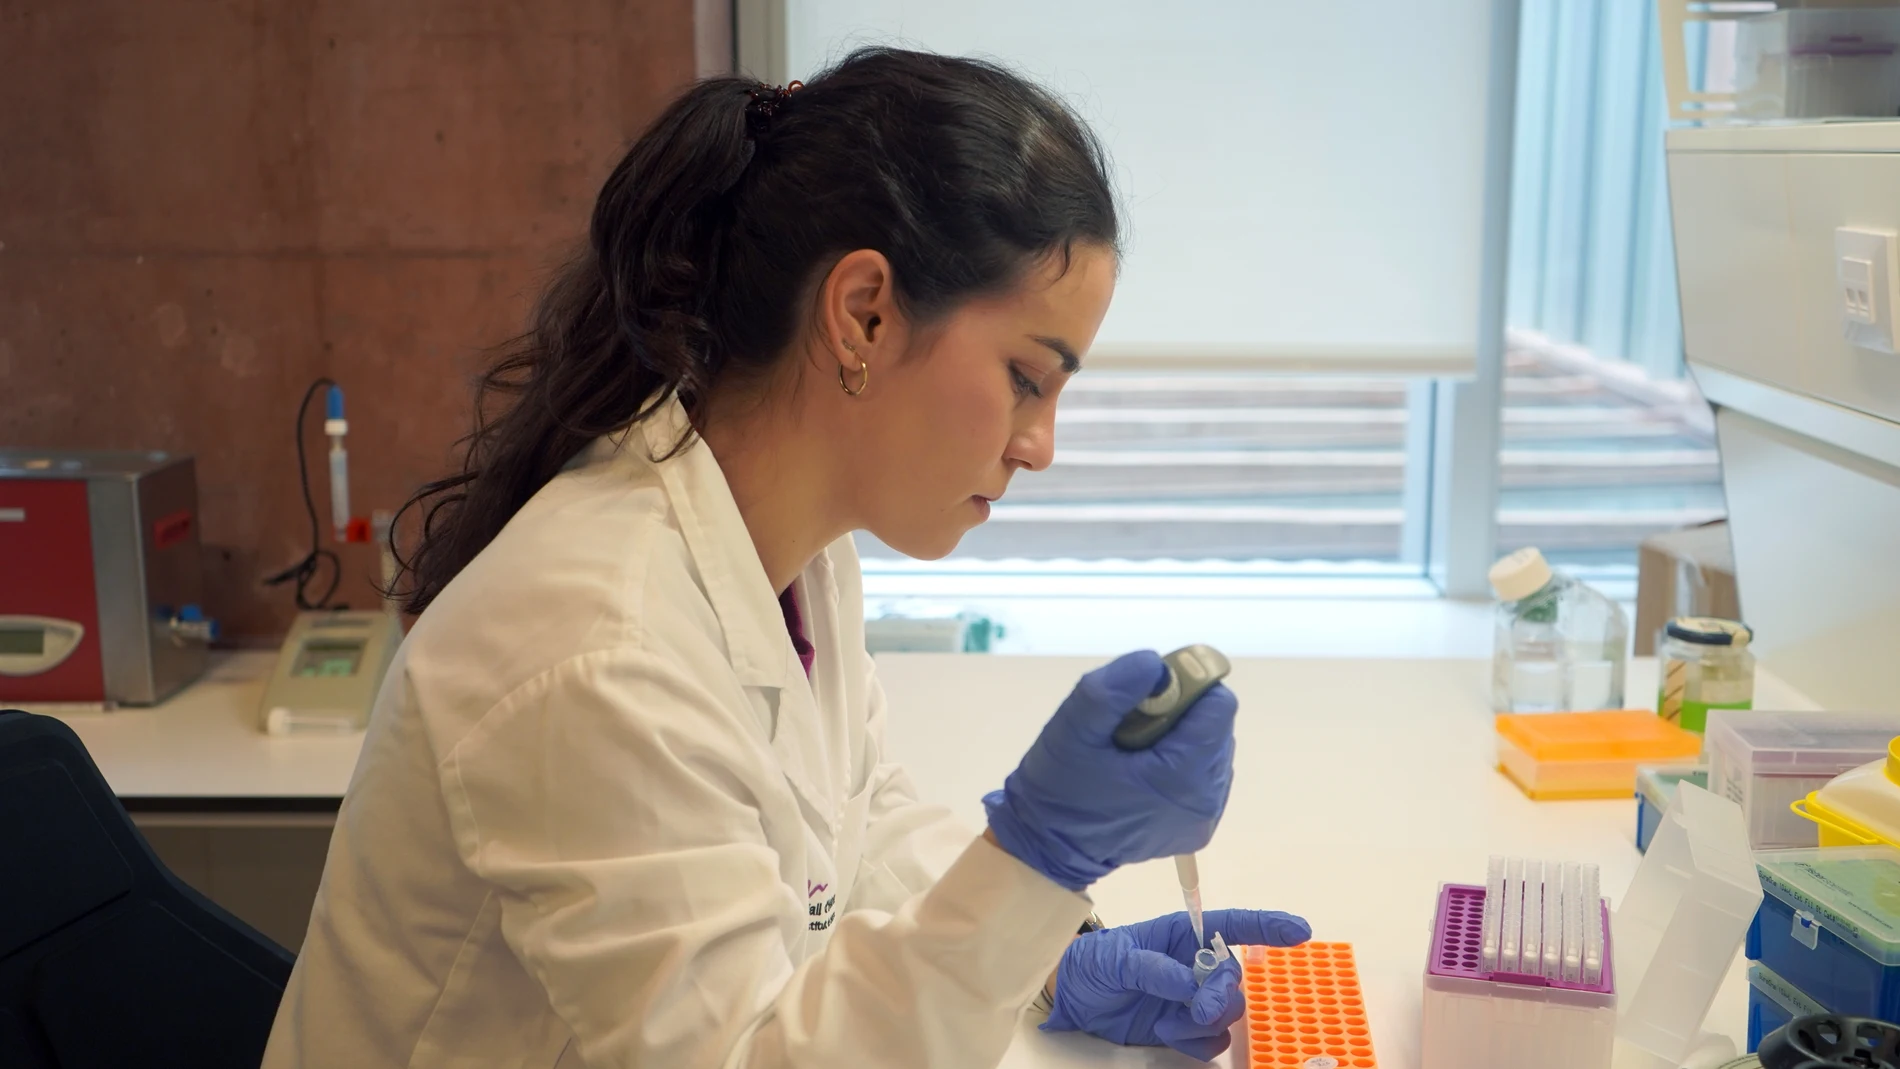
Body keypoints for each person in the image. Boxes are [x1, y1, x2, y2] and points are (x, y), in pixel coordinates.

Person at [262, 47, 1308, 1069]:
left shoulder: (793, 552)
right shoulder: (597, 651)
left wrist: (1047, 952)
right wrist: (1035, 863)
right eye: (1027, 378)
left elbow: (851, 828)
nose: (1040, 445)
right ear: (864, 313)